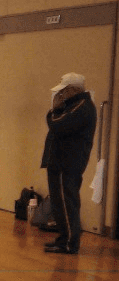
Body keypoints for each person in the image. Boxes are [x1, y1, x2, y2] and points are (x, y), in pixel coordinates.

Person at [41, 72, 97, 255]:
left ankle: (70, 243)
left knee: (67, 202)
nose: (60, 95)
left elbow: (58, 125)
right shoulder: (73, 104)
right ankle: (63, 238)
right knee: (59, 202)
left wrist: (53, 110)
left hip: (69, 162)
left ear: (73, 89)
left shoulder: (82, 106)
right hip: (60, 161)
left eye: (63, 91)